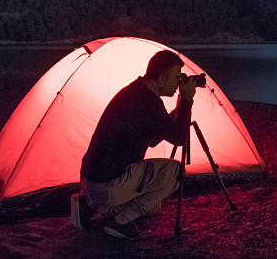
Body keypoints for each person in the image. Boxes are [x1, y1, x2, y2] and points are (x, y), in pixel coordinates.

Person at [70, 50, 196, 239]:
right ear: (162, 78)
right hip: (108, 185)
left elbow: (153, 139)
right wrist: (187, 100)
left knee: (153, 207)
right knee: (176, 172)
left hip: (91, 180)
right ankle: (121, 222)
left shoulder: (134, 92)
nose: (179, 85)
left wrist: (177, 111)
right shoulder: (149, 103)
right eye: (177, 78)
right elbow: (179, 138)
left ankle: (87, 206)